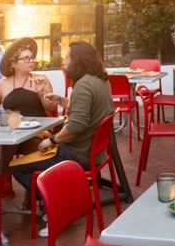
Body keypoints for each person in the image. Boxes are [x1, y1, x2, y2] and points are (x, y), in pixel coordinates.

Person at [11, 41, 114, 236]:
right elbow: (86, 110)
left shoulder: (83, 85)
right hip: (95, 151)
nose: (64, 61)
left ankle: (60, 209)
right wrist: (63, 100)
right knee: (34, 148)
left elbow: (77, 125)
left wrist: (52, 141)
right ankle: (61, 200)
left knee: (18, 168)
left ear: (78, 61)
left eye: (67, 57)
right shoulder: (100, 79)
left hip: (78, 154)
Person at [0, 37, 63, 120]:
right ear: (13, 64)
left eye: (32, 58)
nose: (31, 61)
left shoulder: (41, 79)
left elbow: (51, 108)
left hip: (40, 128)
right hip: (13, 129)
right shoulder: (2, 84)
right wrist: (4, 113)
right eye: (26, 58)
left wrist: (41, 94)